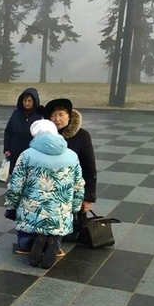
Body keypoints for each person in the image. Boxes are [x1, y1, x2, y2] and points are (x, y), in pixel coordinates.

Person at [6, 119, 85, 269]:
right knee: (57, 232)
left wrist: (11, 207)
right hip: (60, 214)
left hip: (32, 212)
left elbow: (15, 185)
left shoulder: (27, 155)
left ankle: (31, 243)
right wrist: (74, 208)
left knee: (23, 237)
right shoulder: (72, 155)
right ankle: (53, 243)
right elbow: (79, 185)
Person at [43, 98, 97, 241]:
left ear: (69, 116)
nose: (57, 119)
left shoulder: (82, 136)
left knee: (69, 236)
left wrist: (88, 197)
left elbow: (89, 168)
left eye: (61, 114)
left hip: (72, 193)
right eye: (53, 115)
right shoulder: (44, 137)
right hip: (48, 192)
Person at [3, 88, 41, 177]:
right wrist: (7, 148)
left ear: (34, 101)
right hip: (15, 150)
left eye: (29, 101)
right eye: (25, 101)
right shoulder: (16, 113)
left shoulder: (40, 115)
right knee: (15, 176)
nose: (26, 103)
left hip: (32, 151)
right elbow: (8, 131)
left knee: (30, 177)